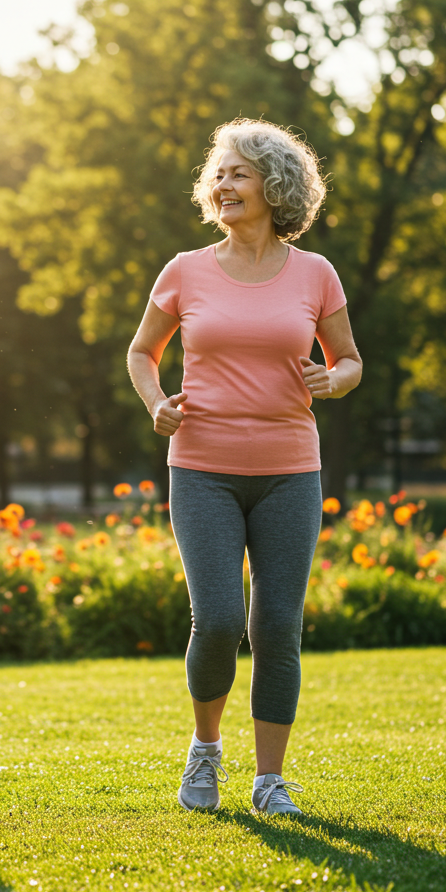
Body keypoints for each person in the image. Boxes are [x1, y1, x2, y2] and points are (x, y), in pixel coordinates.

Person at [127, 118, 362, 815]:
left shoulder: (316, 274)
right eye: (218, 174)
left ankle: (269, 779)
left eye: (238, 173)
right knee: (221, 618)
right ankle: (205, 751)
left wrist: (336, 380)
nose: (223, 184)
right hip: (201, 468)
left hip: (291, 470)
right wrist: (154, 403)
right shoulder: (185, 270)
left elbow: (349, 359)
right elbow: (142, 351)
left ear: (274, 185)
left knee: (278, 625)